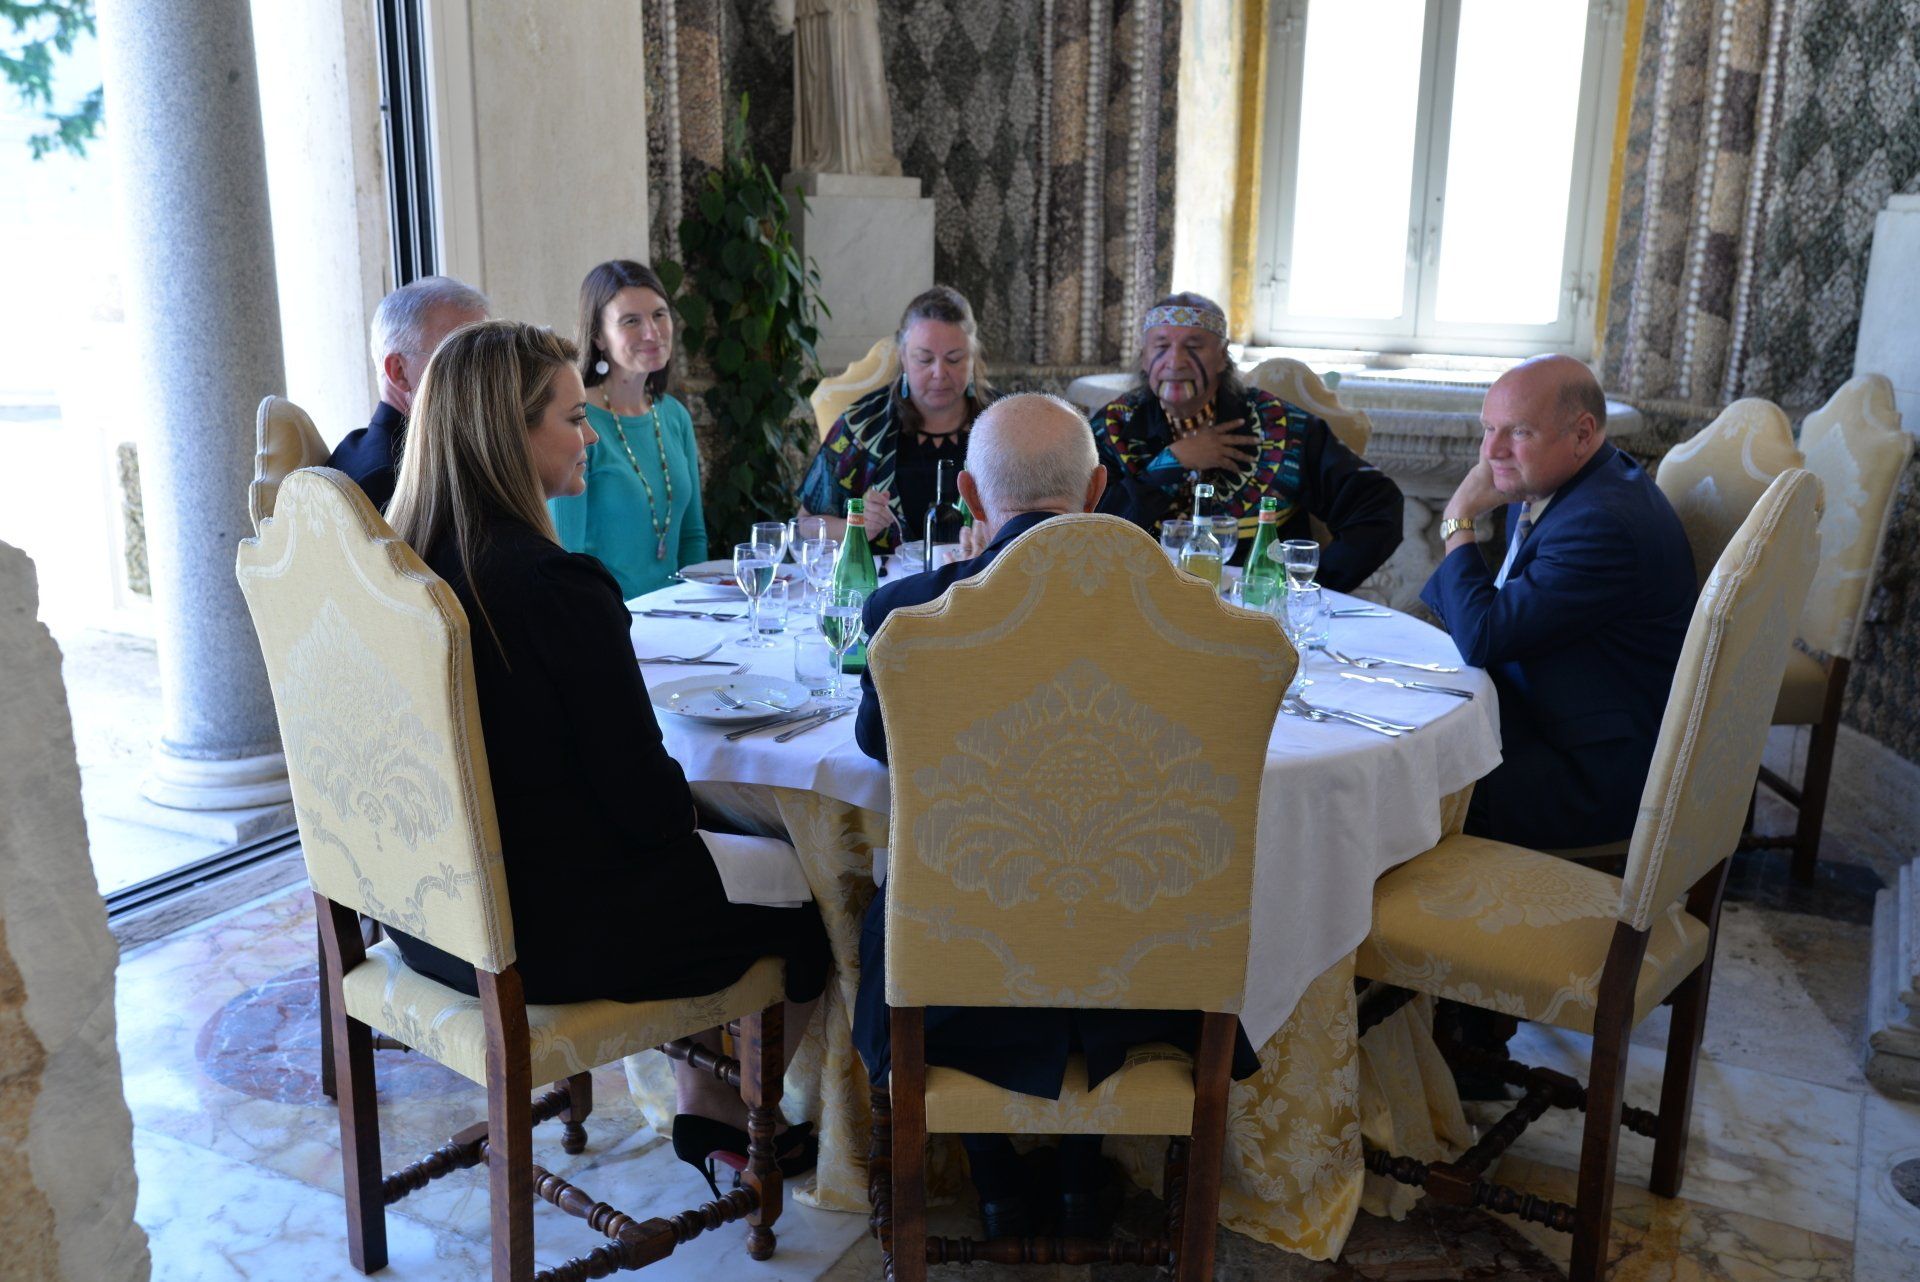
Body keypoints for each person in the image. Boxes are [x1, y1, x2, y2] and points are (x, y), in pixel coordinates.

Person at [383, 320, 831, 1192]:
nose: (590, 436)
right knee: (814, 901)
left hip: (425, 926)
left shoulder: (398, 575)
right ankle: (743, 1113)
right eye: (571, 417)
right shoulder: (557, 589)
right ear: (506, 436)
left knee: (720, 865)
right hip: (546, 942)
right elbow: (649, 815)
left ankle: (708, 1106)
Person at [848, 393, 1258, 1239]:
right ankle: (1080, 1183)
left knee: (913, 905)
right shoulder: (1196, 628)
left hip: (956, 985)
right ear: (1100, 487)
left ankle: (997, 1187)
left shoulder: (911, 617)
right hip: (1150, 977)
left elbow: (884, 750)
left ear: (967, 494)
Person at [1421, 353, 1695, 852]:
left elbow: (1482, 636)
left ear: (1583, 434)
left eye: (1519, 432)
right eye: (1488, 429)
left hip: (1587, 773)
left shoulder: (1601, 524)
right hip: (1547, 711)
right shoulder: (1558, 486)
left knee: (1400, 782)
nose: (1492, 453)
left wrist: (1458, 518)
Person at [1091, 292, 1403, 592]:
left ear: (1222, 358)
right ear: (1144, 359)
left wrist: (1312, 586)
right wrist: (1173, 462)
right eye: (1161, 346)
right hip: (1138, 598)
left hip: (1255, 608)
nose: (1175, 361)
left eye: (1194, 347)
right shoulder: (1113, 427)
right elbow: (1092, 530)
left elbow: (1378, 504)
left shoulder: (1278, 426)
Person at [550, 260, 708, 599]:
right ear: (598, 337)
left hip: (681, 621)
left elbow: (693, 538)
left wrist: (699, 614)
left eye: (659, 314)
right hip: (608, 624)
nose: (652, 332)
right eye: (631, 321)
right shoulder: (576, 423)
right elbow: (566, 557)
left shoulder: (674, 415)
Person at [798, 285, 993, 555]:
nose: (939, 373)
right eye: (924, 359)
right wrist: (856, 526)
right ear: (903, 357)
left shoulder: (1005, 422)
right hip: (888, 591)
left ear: (972, 358)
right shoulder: (862, 426)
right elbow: (804, 524)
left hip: (988, 586)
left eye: (954, 358)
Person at [328, 275, 489, 510]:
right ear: (399, 371)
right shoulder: (391, 480)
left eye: (487, 356)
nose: (484, 373)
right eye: (460, 357)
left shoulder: (371, 447)